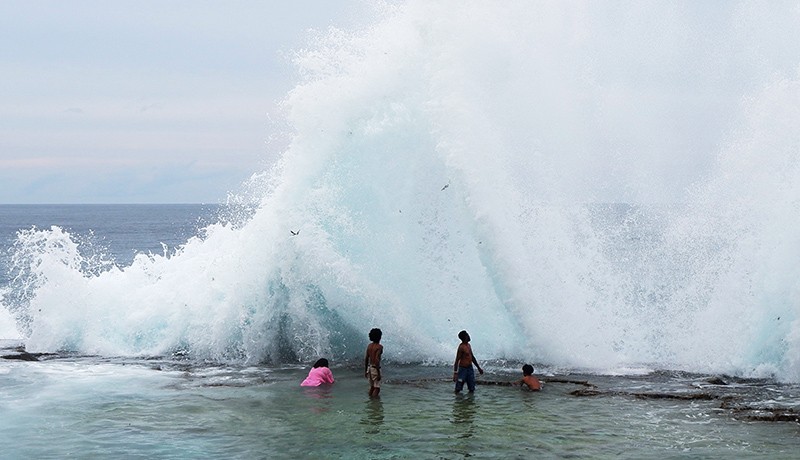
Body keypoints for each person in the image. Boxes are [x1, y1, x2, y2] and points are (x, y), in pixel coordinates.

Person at [364, 328, 383, 397]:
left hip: (369, 368)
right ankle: (374, 402)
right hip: (375, 368)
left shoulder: (369, 346)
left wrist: (365, 370)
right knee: (377, 388)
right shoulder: (379, 347)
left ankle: (370, 399)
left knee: (372, 387)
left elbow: (366, 358)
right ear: (379, 337)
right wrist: (378, 373)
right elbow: (377, 360)